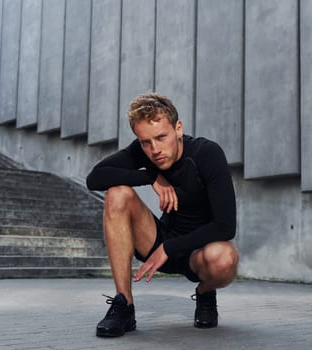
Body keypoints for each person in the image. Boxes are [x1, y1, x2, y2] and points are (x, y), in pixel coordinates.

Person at [86, 92, 239, 337]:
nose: (154, 149)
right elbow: (95, 178)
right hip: (157, 239)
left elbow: (225, 226)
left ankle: (205, 292)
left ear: (178, 128)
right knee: (117, 193)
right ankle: (124, 304)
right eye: (145, 142)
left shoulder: (206, 154)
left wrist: (169, 248)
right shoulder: (144, 151)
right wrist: (150, 176)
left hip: (199, 253)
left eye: (161, 137)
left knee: (226, 259)